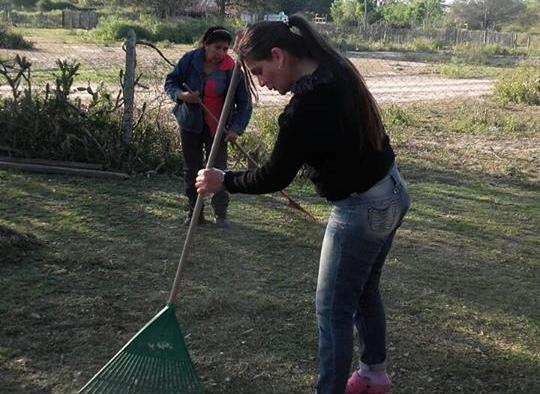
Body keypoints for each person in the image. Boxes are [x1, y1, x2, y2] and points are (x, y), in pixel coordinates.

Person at [195, 15, 411, 394]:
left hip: (361, 210)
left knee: (332, 310)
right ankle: (373, 375)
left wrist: (222, 180)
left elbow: (273, 177)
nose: (262, 82)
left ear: (278, 56)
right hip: (393, 191)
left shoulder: (303, 111)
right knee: (364, 290)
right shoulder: (336, 68)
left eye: (260, 71)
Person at [164, 26, 252, 227]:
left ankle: (221, 215)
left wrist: (235, 129)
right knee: (192, 170)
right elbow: (171, 81)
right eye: (217, 48)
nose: (221, 53)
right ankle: (195, 214)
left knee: (219, 171)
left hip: (218, 127)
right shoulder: (190, 60)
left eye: (225, 49)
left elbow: (244, 103)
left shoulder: (232, 68)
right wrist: (182, 96)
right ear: (205, 44)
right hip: (190, 124)